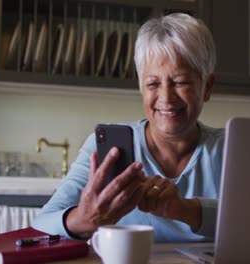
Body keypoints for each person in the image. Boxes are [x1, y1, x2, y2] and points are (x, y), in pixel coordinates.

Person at [32, 13, 224, 243]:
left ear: (207, 87)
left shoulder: (231, 149)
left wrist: (185, 209)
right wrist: (85, 219)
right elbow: (41, 226)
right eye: (153, 83)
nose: (166, 97)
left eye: (180, 82)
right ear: (141, 88)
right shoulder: (106, 148)